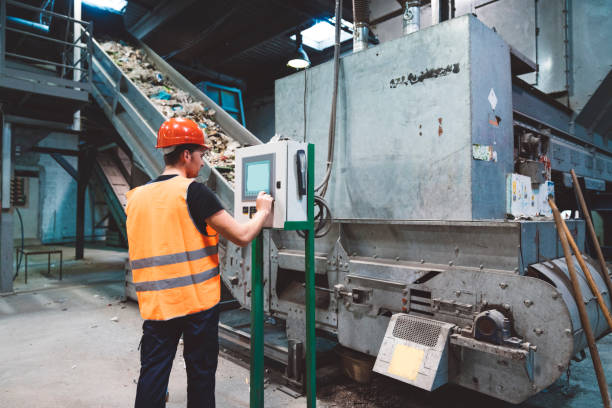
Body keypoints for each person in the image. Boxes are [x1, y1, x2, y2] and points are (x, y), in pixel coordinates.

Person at [126, 117, 273, 408]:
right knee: (201, 374)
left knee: (153, 374)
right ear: (185, 154)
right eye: (202, 155)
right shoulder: (193, 191)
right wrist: (262, 211)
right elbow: (242, 236)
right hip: (196, 305)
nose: (203, 163)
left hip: (157, 304)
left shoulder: (136, 197)